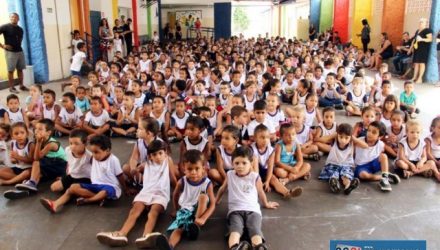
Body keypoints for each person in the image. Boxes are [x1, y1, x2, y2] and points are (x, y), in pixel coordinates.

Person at [96, 140, 176, 248]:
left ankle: (146, 236)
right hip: (146, 192)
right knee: (134, 212)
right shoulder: (146, 164)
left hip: (161, 195)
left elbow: (173, 178)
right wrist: (134, 170)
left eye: (160, 153)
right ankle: (121, 234)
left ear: (165, 152)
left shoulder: (168, 161)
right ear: (150, 156)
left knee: (153, 213)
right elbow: (134, 169)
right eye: (154, 154)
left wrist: (178, 194)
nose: (158, 157)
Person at [39, 134, 127, 213]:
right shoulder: (93, 158)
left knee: (104, 192)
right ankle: (54, 204)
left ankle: (88, 200)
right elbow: (77, 159)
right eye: (93, 152)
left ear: (107, 150)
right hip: (95, 185)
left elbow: (120, 175)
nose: (94, 155)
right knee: (72, 188)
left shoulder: (113, 160)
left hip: (110, 186)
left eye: (96, 152)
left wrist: (125, 188)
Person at [216, 146, 279, 250]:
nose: (240, 166)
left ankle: (259, 247)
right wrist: (216, 200)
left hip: (253, 210)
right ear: (232, 163)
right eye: (237, 163)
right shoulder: (230, 174)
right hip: (235, 211)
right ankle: (234, 247)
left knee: (255, 229)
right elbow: (222, 188)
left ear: (251, 163)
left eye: (244, 163)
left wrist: (266, 203)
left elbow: (260, 192)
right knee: (235, 230)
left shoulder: (255, 177)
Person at [163, 150, 216, 249]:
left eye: (197, 168)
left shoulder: (207, 183)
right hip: (185, 210)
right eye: (190, 169)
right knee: (179, 228)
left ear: (203, 169)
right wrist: (175, 209)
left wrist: (203, 218)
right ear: (184, 169)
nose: (193, 172)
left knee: (203, 197)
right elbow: (175, 195)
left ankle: (195, 225)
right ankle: (170, 246)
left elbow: (213, 204)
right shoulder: (182, 181)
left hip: (199, 213)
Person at [4, 119, 67, 199]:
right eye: (36, 128)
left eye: (40, 129)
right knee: (37, 173)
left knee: (36, 163)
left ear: (48, 132)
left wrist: (38, 142)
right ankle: (26, 189)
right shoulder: (38, 139)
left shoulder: (51, 144)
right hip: (49, 164)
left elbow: (36, 157)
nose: (36, 131)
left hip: (61, 165)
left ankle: (31, 183)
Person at [354, 121, 400, 192]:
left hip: (374, 164)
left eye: (374, 132)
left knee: (383, 156)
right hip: (362, 167)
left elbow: (380, 153)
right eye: (369, 130)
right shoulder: (360, 141)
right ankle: (383, 177)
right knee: (363, 175)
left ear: (380, 136)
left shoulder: (380, 144)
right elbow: (352, 153)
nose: (370, 133)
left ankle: (384, 180)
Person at [0, 12, 29, 93]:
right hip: (10, 52)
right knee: (11, 70)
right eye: (12, 17)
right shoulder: (5, 27)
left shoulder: (20, 29)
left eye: (15, 17)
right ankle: (11, 88)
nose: (14, 18)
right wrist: (3, 46)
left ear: (18, 19)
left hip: (20, 51)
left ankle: (21, 86)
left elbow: (20, 40)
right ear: (10, 18)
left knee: (20, 69)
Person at [410, 18, 433, 84]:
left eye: (422, 22)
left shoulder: (428, 30)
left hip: (424, 49)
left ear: (426, 23)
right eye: (420, 22)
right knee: (416, 63)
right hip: (417, 49)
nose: (420, 23)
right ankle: (414, 77)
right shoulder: (418, 31)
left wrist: (422, 39)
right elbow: (414, 40)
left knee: (421, 63)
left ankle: (420, 79)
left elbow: (430, 39)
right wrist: (411, 48)